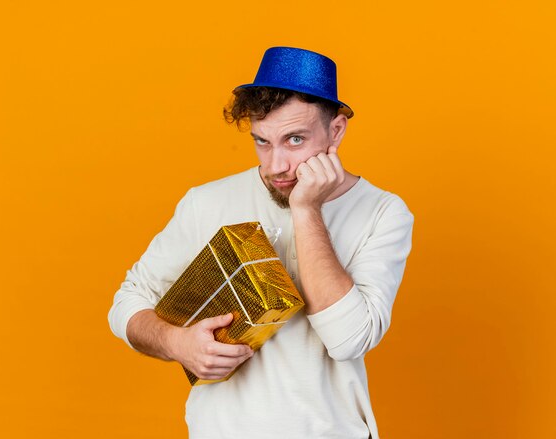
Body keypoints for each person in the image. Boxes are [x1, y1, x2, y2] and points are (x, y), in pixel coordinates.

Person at [108, 46, 414, 439]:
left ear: (336, 130)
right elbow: (128, 301)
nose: (275, 166)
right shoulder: (207, 202)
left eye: (295, 140)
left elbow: (349, 340)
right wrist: (176, 342)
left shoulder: (383, 212)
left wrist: (306, 210)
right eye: (262, 142)